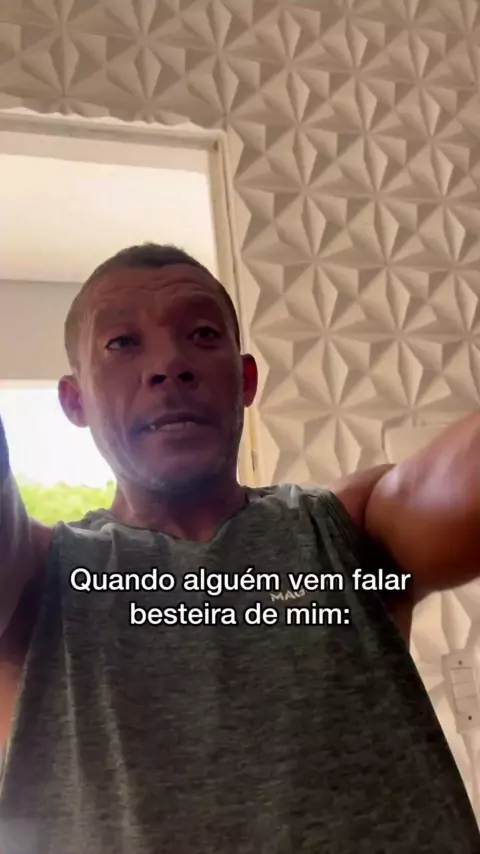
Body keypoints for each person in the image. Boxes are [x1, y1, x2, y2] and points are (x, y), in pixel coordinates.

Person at [0, 242, 479, 854]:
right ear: (75, 401)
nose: (169, 364)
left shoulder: (348, 529)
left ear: (246, 380)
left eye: (202, 334)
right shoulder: (37, 579)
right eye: (122, 343)